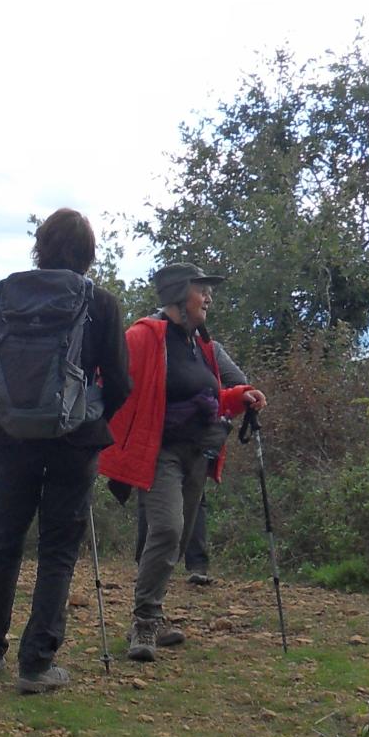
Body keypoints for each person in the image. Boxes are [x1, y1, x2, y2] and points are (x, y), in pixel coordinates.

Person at [0, 208, 131, 694]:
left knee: (5, 541)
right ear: (88, 253)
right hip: (73, 441)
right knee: (57, 550)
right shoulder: (101, 303)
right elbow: (121, 382)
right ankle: (36, 662)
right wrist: (93, 416)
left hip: (13, 434)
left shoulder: (10, 293)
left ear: (40, 246)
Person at [101, 264, 265, 662]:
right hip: (159, 454)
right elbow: (108, 382)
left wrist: (239, 396)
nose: (208, 297)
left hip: (197, 454)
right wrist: (117, 437)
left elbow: (208, 397)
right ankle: (142, 622)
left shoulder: (199, 342)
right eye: (201, 290)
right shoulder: (144, 336)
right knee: (169, 529)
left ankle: (154, 613)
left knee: (179, 535)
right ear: (178, 295)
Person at [134, 337, 247, 584]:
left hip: (178, 435)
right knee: (188, 499)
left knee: (157, 495)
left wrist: (220, 403)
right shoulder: (208, 349)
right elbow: (239, 382)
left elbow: (240, 385)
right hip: (189, 436)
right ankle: (193, 565)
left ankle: (151, 563)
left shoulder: (206, 349)